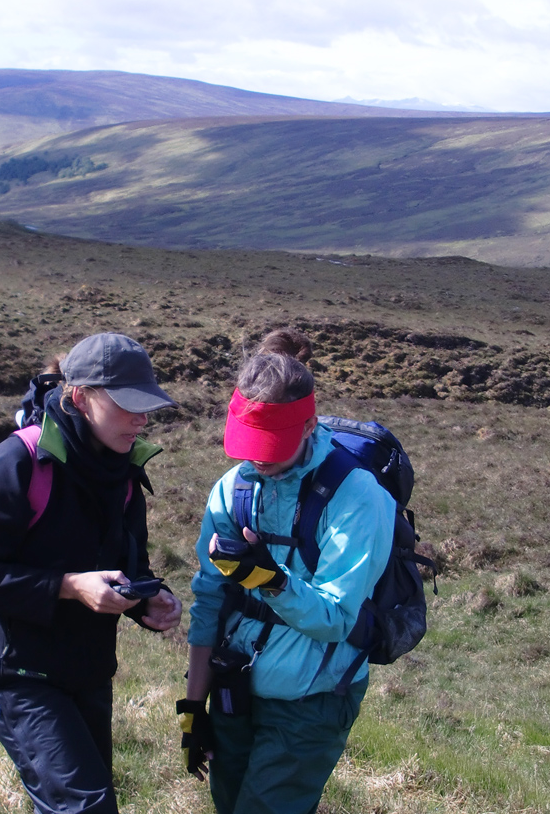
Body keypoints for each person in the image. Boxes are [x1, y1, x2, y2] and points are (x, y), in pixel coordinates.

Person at [0, 332, 183, 814]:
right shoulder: (10, 464)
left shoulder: (123, 471)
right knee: (86, 808)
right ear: (79, 398)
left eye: (147, 405)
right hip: (16, 672)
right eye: (128, 405)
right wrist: (69, 587)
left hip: (88, 670)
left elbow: (128, 564)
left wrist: (147, 600)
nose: (141, 419)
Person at [178, 328, 395, 814]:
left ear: (309, 424)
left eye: (271, 442)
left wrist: (270, 580)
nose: (258, 457)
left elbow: (337, 618)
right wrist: (193, 707)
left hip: (311, 700)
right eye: (249, 442)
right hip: (233, 689)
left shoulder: (358, 497)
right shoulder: (232, 489)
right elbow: (209, 600)